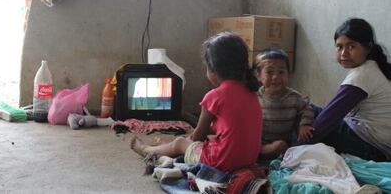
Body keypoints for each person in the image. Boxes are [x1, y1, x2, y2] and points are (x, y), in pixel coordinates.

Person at [130, 31, 263, 172]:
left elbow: (198, 136)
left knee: (180, 143)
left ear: (212, 69)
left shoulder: (214, 96)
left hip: (221, 162)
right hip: (249, 160)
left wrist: (184, 142)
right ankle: (166, 148)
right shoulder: (252, 92)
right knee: (206, 140)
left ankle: (147, 150)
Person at [308, 18, 391, 161]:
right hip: (375, 144)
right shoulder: (373, 67)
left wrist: (296, 149)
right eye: (339, 47)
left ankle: (287, 149)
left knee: (304, 111)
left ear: (368, 47)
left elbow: (327, 119)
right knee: (308, 112)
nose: (343, 53)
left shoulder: (362, 75)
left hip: (371, 149)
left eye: (351, 47)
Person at [254, 48, 314, 159]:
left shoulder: (294, 97)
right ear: (259, 76)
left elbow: (307, 108)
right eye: (269, 72)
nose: (276, 77)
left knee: (281, 146)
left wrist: (304, 124)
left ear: (288, 74)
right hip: (259, 144)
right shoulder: (255, 97)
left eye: (281, 72)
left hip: (283, 145)